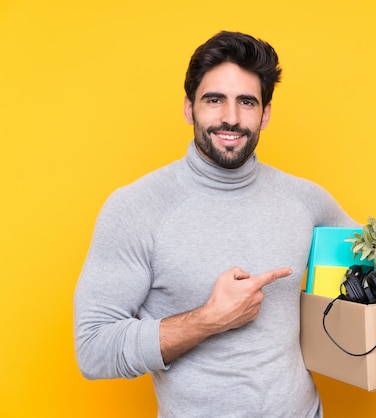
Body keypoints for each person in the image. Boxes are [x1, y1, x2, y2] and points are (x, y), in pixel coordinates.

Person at [74, 31, 357, 417]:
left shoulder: (306, 201)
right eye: (214, 100)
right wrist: (209, 319)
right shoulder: (136, 208)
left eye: (247, 102)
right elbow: (93, 348)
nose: (231, 118)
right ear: (189, 108)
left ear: (266, 113)